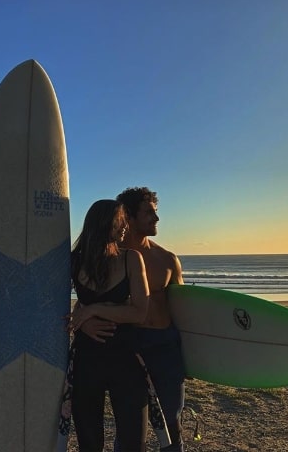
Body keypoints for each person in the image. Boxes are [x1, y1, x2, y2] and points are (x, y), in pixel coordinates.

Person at [82, 187, 186, 452]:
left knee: (171, 418)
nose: (156, 219)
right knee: (128, 424)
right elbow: (86, 298)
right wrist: (82, 320)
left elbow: (184, 311)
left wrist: (193, 357)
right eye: (149, 212)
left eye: (155, 212)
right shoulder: (108, 257)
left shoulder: (167, 259)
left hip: (163, 345)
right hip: (125, 344)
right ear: (127, 216)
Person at [67, 199, 151, 452]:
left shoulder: (131, 259)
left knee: (133, 442)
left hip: (125, 357)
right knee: (89, 441)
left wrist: (92, 309)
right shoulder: (73, 261)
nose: (125, 225)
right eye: (119, 220)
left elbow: (140, 313)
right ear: (102, 223)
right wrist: (81, 324)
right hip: (87, 359)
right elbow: (45, 300)